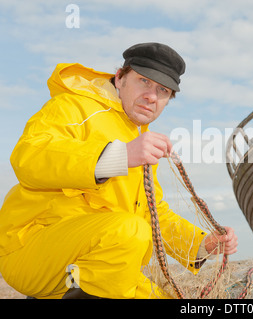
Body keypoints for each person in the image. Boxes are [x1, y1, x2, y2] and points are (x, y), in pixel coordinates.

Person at [0, 42, 238, 299]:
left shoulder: (137, 136)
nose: (152, 96)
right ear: (120, 78)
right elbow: (30, 158)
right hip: (30, 249)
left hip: (95, 263)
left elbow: (152, 214)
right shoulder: (73, 107)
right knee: (130, 230)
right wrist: (119, 156)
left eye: (163, 90)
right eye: (144, 81)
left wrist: (202, 245)